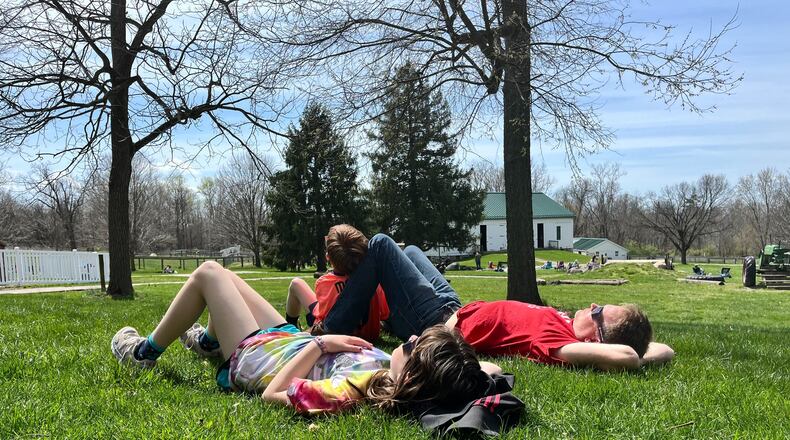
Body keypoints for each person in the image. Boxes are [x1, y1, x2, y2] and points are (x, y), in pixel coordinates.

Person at [111, 261, 497, 414]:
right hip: (285, 340)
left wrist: (321, 344)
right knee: (227, 279)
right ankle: (210, 342)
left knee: (210, 274)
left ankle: (143, 353)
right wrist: (469, 371)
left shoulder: (354, 389)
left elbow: (272, 396)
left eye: (413, 346)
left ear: (413, 375)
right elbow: (485, 369)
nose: (410, 337)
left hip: (261, 356)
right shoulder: (394, 375)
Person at [317, 234, 674, 371]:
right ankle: (372, 313)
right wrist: (639, 345)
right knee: (410, 249)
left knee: (380, 245)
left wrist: (632, 354)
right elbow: (665, 349)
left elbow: (626, 356)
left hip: (438, 322)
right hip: (454, 303)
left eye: (598, 311)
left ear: (594, 339)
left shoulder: (558, 343)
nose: (592, 304)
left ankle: (330, 327)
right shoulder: (567, 325)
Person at [285, 224, 389, 341]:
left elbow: (321, 313)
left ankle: (291, 326)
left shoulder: (325, 282)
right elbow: (384, 313)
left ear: (328, 257)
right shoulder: (374, 281)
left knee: (296, 283)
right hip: (369, 336)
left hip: (330, 332)